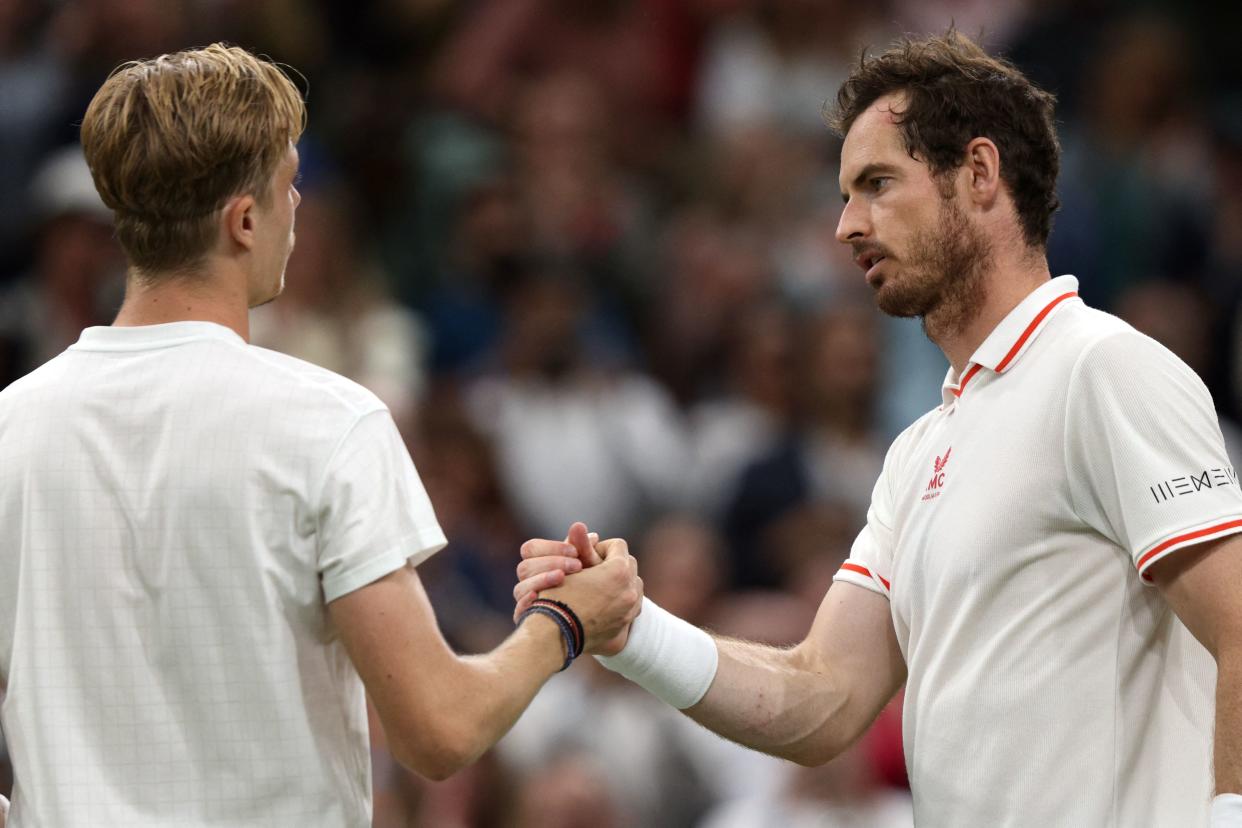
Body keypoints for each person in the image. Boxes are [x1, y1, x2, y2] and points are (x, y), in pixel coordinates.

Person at [515, 31, 1242, 826]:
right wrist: (631, 629)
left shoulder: (1102, 370)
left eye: (877, 183)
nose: (846, 225)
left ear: (979, 174)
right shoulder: (919, 450)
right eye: (844, 194)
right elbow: (821, 699)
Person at [0, 44, 641, 826]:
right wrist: (568, 622)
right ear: (243, 220)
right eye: (288, 183)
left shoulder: (13, 424)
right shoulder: (329, 424)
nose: (298, 204)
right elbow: (439, 731)